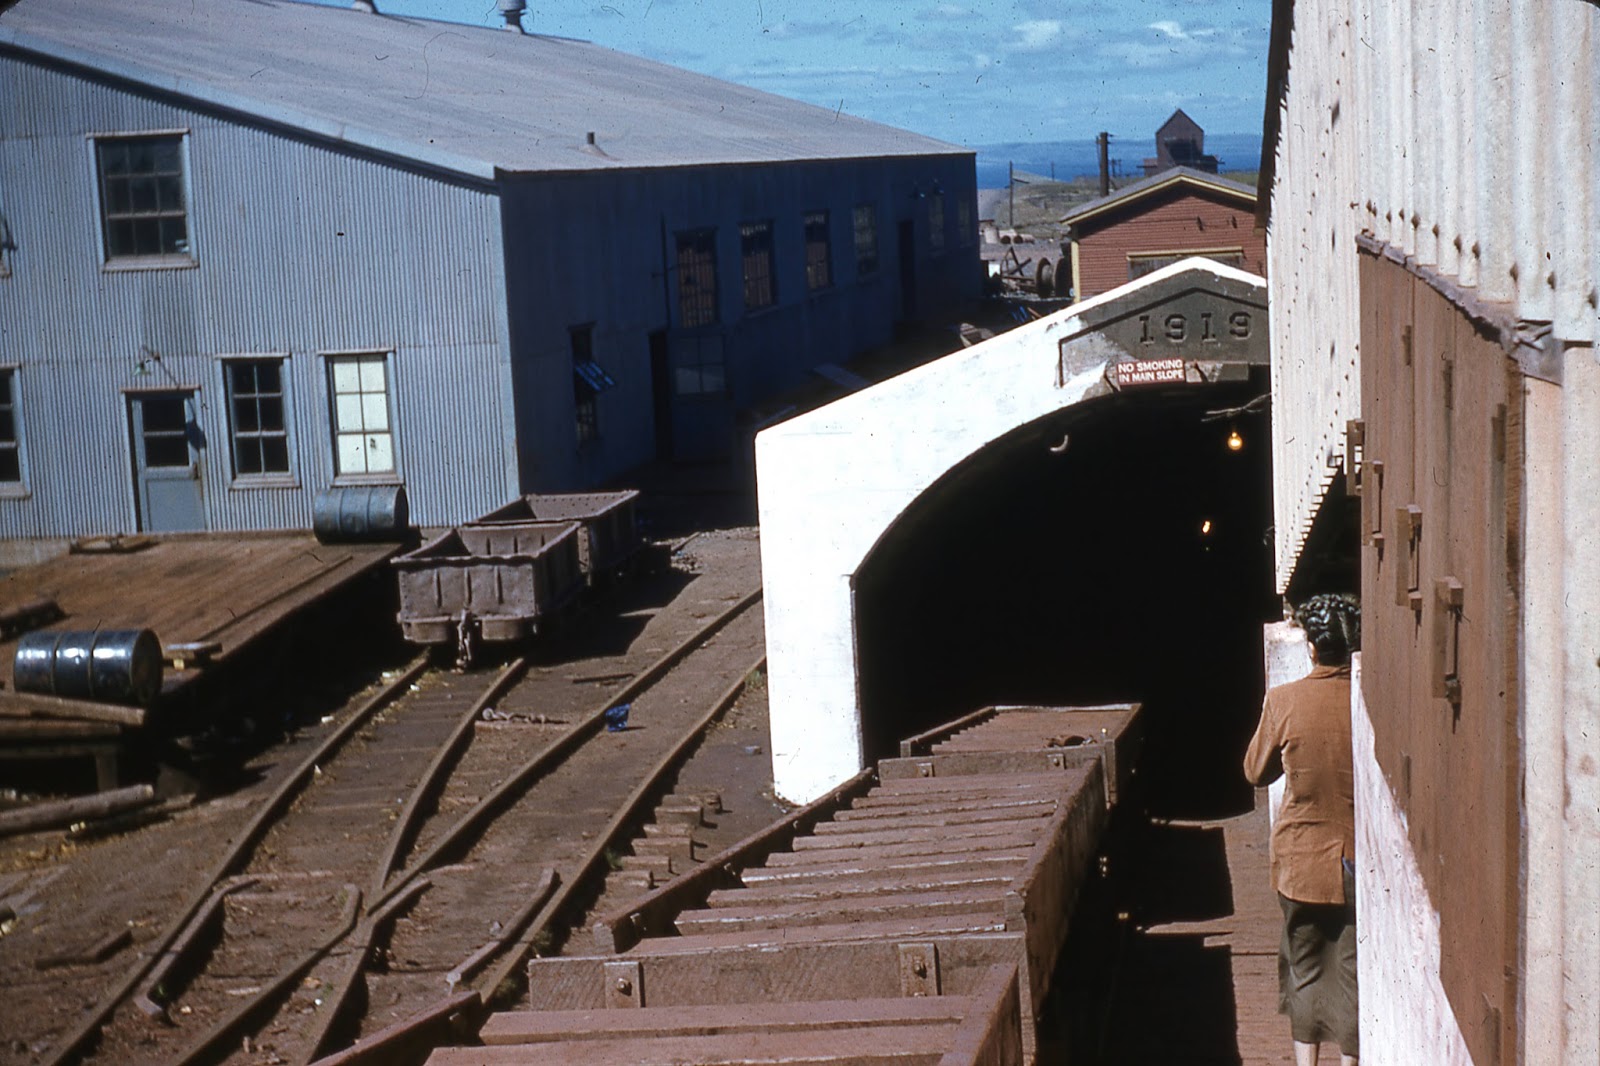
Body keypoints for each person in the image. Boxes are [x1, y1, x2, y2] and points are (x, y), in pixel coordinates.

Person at [1244, 593, 1360, 1066]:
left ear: (1311, 646)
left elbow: (1255, 771)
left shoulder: (1285, 701)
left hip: (1299, 862)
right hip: (1356, 863)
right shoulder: (1367, 699)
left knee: (1305, 966)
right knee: (1352, 970)